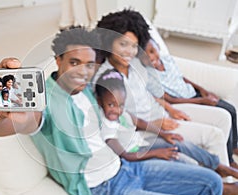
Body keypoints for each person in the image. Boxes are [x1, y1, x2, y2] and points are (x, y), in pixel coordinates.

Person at [0, 27, 224, 195]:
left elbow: (113, 124)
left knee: (212, 183)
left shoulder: (91, 90)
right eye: (74, 62)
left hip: (126, 167)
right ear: (58, 60)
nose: (82, 71)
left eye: (89, 64)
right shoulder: (46, 102)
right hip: (104, 190)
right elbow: (24, 122)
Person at [95, 8, 231, 167]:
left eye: (134, 46)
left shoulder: (135, 64)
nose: (129, 52)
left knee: (223, 117)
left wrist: (170, 109)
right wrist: (157, 124)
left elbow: (148, 93)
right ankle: (226, 182)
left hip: (164, 112)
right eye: (123, 44)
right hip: (149, 128)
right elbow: (120, 115)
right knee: (213, 135)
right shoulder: (105, 78)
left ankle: (224, 166)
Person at [95, 68, 238, 182]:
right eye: (111, 104)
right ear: (100, 101)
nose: (117, 109)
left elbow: (140, 122)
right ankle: (212, 180)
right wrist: (156, 152)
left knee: (177, 141)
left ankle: (219, 166)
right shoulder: (107, 128)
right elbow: (127, 155)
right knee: (179, 159)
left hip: (141, 142)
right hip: (136, 152)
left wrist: (163, 134)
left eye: (120, 105)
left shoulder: (122, 112)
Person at [144, 38, 238, 167]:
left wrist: (203, 90)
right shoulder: (149, 75)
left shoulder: (167, 60)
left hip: (194, 94)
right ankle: (230, 160)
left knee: (231, 109)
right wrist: (201, 101)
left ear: (158, 48)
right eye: (145, 55)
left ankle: (233, 146)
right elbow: (169, 99)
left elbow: (181, 77)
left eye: (152, 51)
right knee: (225, 112)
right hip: (185, 101)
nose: (150, 56)